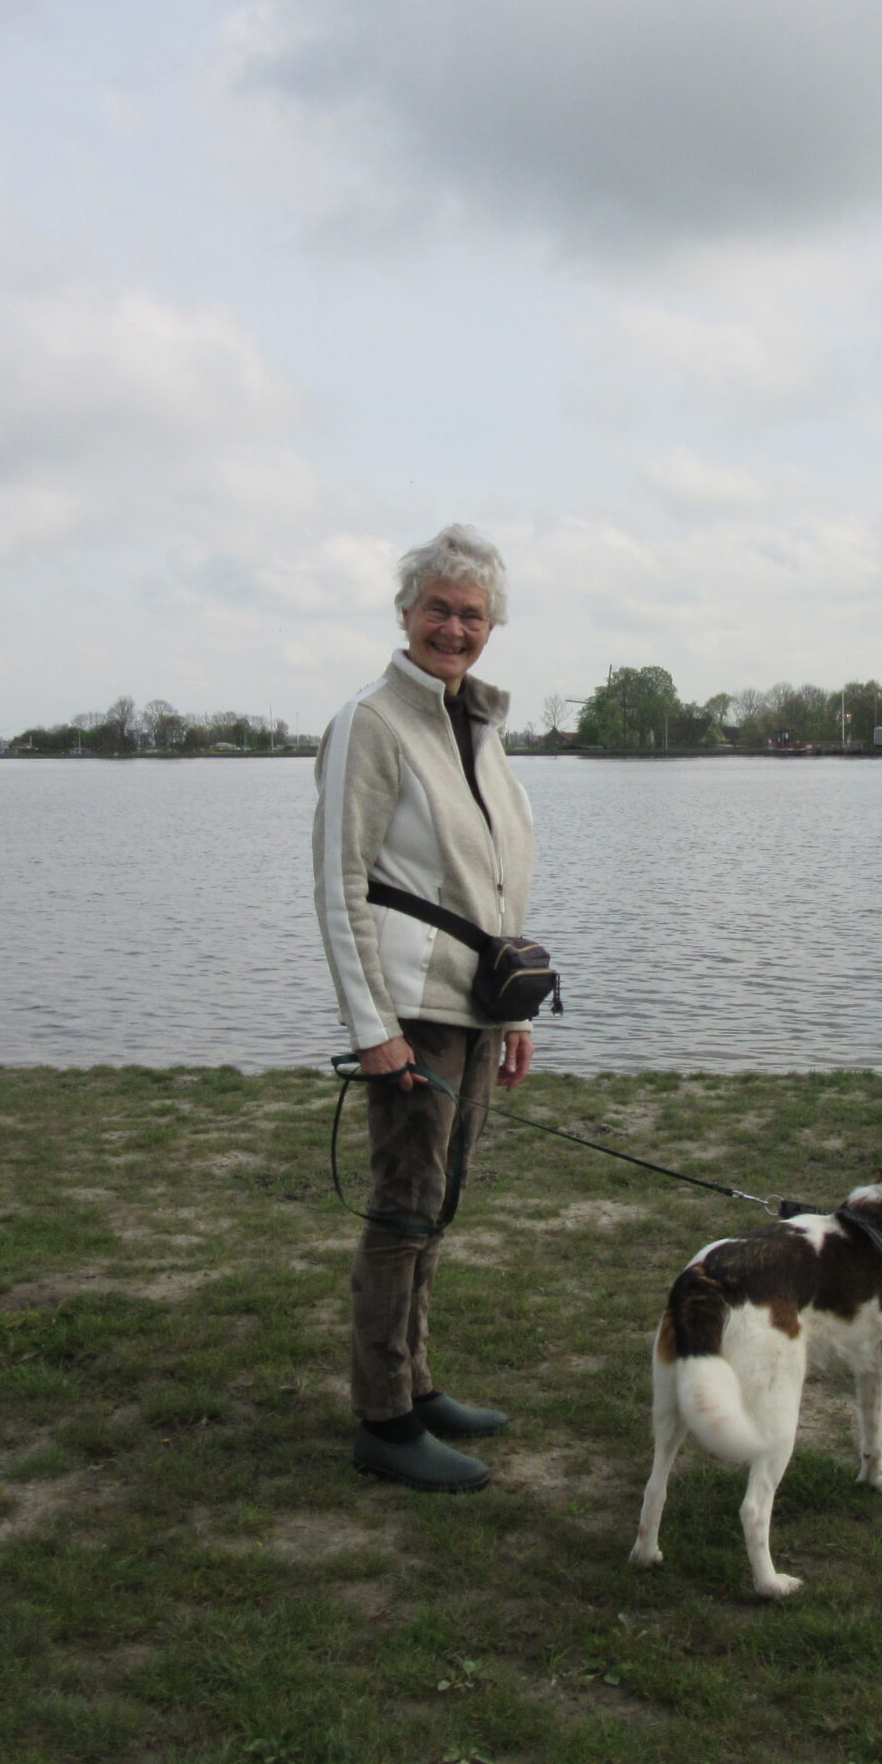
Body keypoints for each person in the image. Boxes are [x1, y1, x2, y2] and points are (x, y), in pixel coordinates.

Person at [312, 525, 538, 1492]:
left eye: (472, 614)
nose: (455, 627)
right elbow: (340, 884)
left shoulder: (472, 723)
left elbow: (489, 879)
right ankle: (384, 1416)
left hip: (474, 1006)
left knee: (438, 1204)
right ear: (406, 614)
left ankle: (418, 1379)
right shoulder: (372, 722)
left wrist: (516, 1009)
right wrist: (375, 1032)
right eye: (439, 608)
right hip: (411, 1012)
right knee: (402, 1211)